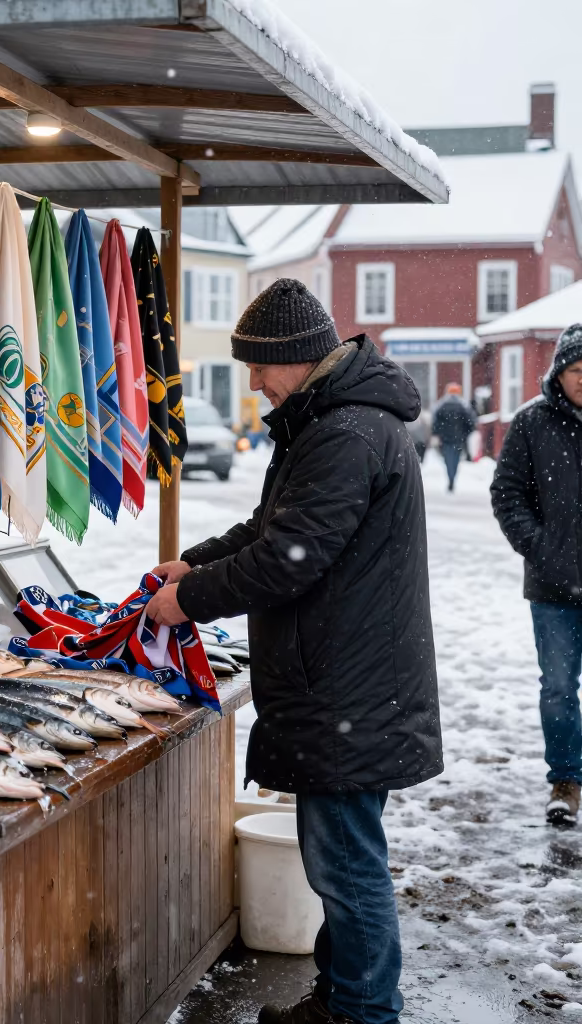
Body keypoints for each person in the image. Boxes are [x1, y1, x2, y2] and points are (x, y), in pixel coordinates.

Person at [147, 279, 442, 1024]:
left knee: (346, 867)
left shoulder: (345, 434)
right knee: (339, 861)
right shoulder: (327, 423)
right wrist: (196, 562)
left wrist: (189, 600)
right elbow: (268, 526)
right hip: (347, 681)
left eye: (257, 366)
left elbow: (289, 557)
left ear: (296, 357)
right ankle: (342, 997)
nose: (252, 382)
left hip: (348, 685)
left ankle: (365, 1012)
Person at [491, 324, 582, 826]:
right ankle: (566, 781)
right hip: (554, 588)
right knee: (559, 688)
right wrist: (541, 549)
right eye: (576, 370)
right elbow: (507, 494)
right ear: (560, 373)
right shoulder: (533, 423)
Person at [431, 382, 477, 491]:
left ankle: (450, 476)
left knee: (448, 458)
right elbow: (471, 421)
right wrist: (466, 433)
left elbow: (435, 421)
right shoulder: (463, 406)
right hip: (458, 438)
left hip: (446, 438)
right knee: (456, 458)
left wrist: (437, 433)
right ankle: (453, 477)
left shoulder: (441, 405)